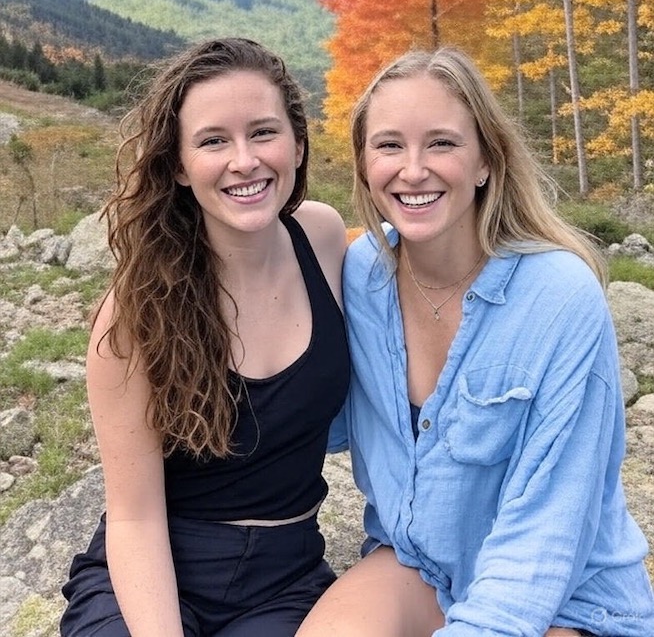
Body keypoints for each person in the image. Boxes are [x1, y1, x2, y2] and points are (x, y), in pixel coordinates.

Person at [297, 47, 654, 637]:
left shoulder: (559, 295)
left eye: (442, 143)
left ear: (486, 159)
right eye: (389, 145)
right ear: (363, 163)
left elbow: (549, 528)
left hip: (564, 590)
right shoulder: (361, 273)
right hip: (418, 562)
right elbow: (315, 420)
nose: (413, 170)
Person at [60, 37, 350, 637]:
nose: (244, 160)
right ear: (178, 165)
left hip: (287, 578)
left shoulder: (322, 238)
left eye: (264, 132)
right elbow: (135, 520)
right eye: (213, 140)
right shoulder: (136, 313)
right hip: (154, 576)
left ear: (297, 142)